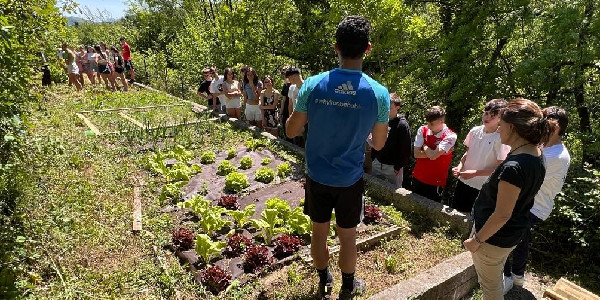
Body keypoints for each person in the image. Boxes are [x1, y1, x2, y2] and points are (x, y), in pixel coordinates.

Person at [286, 15, 390, 300]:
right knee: (348, 238)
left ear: (336, 47)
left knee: (318, 234)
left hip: (317, 176)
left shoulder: (312, 85)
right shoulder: (379, 93)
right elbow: (379, 143)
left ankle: (323, 280)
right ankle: (348, 285)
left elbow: (291, 129)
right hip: (350, 179)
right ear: (367, 49)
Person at [464, 98, 551, 300]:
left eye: (501, 124)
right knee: (493, 279)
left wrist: (476, 241)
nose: (498, 129)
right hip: (511, 234)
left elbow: (502, 214)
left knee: (491, 288)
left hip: (492, 240)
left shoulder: (514, 168)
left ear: (512, 127)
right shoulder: (536, 154)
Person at [502, 106, 571, 293]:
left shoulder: (557, 156)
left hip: (535, 207)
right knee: (521, 239)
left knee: (509, 238)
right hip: (527, 203)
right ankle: (517, 276)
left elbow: (525, 176)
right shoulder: (545, 146)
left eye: (543, 122)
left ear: (555, 128)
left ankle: (508, 278)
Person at [449, 99, 510, 214]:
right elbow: (468, 153)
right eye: (486, 113)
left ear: (500, 119)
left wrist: (475, 173)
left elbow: (500, 168)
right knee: (455, 213)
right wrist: (460, 166)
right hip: (463, 181)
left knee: (469, 220)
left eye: (493, 116)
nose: (487, 118)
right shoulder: (474, 131)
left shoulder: (501, 139)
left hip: (482, 187)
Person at [411, 106, 457, 202]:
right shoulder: (422, 129)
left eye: (431, 123)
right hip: (418, 176)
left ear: (441, 121)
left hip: (435, 181)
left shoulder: (450, 136)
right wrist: (436, 153)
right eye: (427, 122)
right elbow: (416, 154)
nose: (428, 126)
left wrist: (424, 145)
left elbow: (432, 156)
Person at [369, 93, 412, 189]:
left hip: (392, 168)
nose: (386, 109)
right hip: (377, 162)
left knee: (393, 194)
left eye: (389, 107)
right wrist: (374, 158)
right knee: (374, 190)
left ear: (398, 108)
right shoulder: (380, 119)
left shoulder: (402, 125)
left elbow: (406, 149)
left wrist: (398, 166)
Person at [286, 66, 306, 147]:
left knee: (305, 142)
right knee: (296, 142)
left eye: (288, 78)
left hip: (306, 120)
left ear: (293, 76)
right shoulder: (292, 88)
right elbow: (290, 105)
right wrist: (290, 118)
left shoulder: (308, 87)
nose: (288, 80)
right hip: (295, 118)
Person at [279, 66, 293, 142]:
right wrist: (281, 113)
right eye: (283, 73)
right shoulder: (285, 85)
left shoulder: (296, 84)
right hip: (286, 109)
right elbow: (283, 100)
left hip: (295, 110)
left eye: (286, 72)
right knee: (286, 128)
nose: (284, 74)